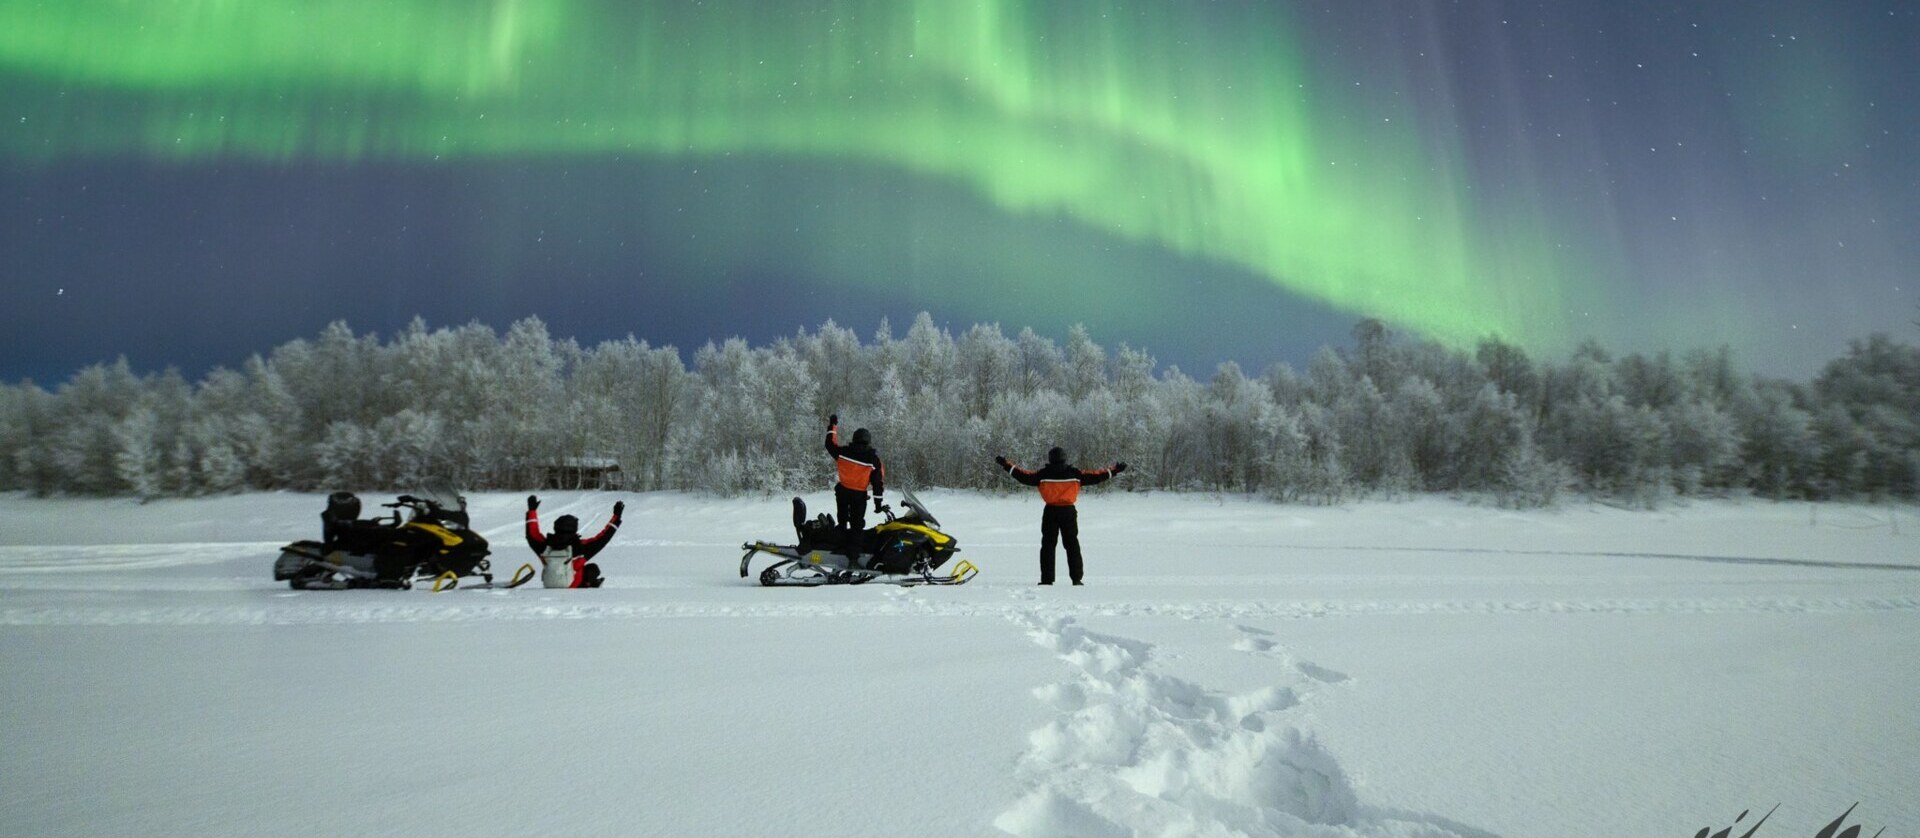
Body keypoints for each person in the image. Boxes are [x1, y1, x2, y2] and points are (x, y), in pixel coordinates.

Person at [994, 447, 1127, 585]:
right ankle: (1076, 579)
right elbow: (1097, 476)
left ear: (1050, 458)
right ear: (1064, 458)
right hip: (1068, 512)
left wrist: (1005, 464)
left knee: (1048, 545)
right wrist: (1115, 470)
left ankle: (1047, 580)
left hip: (1050, 511)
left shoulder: (1043, 474)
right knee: (1072, 544)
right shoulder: (1075, 474)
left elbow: (1023, 476)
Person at [525, 494, 624, 588]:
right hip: (573, 585)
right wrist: (616, 516)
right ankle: (588, 584)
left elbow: (532, 534)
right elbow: (603, 538)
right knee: (593, 569)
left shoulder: (545, 545)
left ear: (556, 527)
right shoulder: (581, 547)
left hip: (549, 583)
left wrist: (532, 511)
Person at [824, 413, 886, 551]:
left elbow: (829, 444)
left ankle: (839, 548)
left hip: (842, 492)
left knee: (842, 522)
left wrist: (833, 426)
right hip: (859, 496)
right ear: (868, 441)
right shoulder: (873, 460)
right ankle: (853, 556)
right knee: (856, 526)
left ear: (854, 439)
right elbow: (877, 483)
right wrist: (878, 503)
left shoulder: (843, 453)